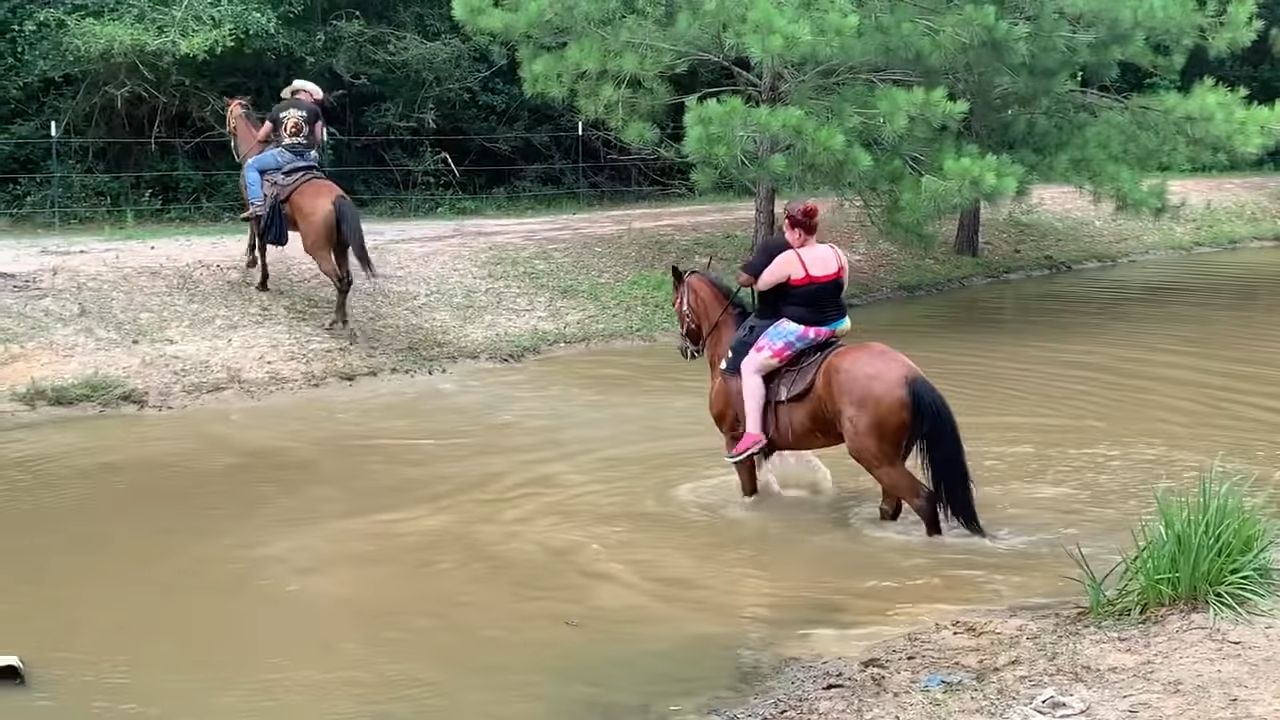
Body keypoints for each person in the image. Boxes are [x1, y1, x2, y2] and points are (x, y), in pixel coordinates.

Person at [725, 200, 852, 463]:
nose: (785, 237)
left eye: (786, 232)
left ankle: (753, 434)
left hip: (806, 329)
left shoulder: (789, 259)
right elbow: (842, 287)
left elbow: (760, 285)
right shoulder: (836, 252)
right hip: (840, 324)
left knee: (750, 367)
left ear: (797, 233)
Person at [239, 79, 327, 221]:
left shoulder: (278, 109)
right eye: (311, 96)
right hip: (310, 157)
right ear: (303, 92)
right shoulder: (314, 110)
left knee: (251, 165)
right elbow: (318, 139)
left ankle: (257, 205)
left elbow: (261, 137)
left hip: (286, 155)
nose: (312, 99)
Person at [719, 224, 792, 376]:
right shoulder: (818, 247)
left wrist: (749, 267)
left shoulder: (771, 245)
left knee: (733, 357)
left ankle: (738, 396)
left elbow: (744, 280)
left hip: (772, 317)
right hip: (816, 318)